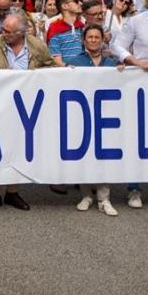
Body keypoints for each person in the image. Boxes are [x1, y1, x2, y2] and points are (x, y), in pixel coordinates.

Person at [0, 14, 50, 211]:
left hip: (27, 106)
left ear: (21, 33)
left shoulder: (37, 46)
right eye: (3, 29)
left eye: (8, 32)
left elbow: (50, 68)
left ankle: (12, 192)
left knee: (18, 148)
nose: (3, 34)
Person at [63, 25, 119, 216]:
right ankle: (86, 195)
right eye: (90, 37)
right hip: (82, 115)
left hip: (106, 116)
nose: (94, 40)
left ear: (103, 40)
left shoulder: (111, 63)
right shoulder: (75, 61)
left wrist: (123, 73)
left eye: (97, 37)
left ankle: (104, 198)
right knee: (85, 156)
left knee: (104, 157)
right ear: (84, 40)